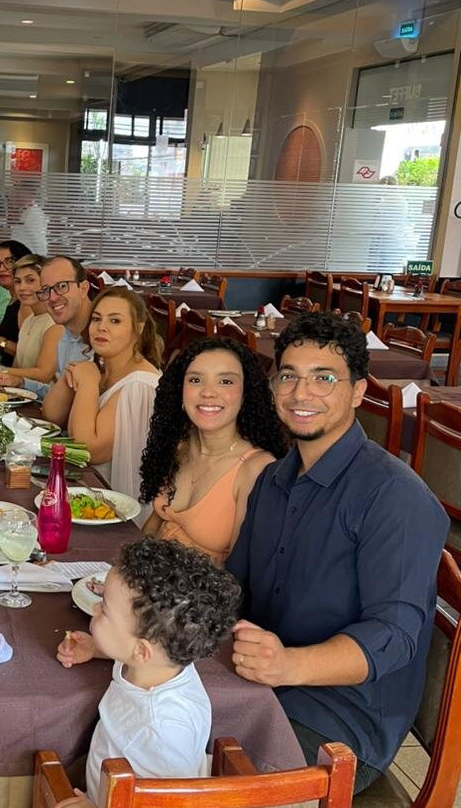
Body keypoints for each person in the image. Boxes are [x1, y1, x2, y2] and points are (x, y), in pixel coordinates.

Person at [226, 312, 448, 792]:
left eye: (324, 378)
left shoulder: (394, 496)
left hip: (340, 725)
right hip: (259, 687)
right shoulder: (273, 479)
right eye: (289, 376)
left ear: (358, 391)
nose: (301, 393)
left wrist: (289, 664)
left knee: (173, 772)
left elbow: (394, 635)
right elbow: (232, 587)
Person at [57, 537, 241, 804]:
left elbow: (170, 803)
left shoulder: (161, 731)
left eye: (104, 609)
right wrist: (97, 648)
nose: (94, 608)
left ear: (141, 651)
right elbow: (131, 651)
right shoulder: (160, 664)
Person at [140, 338, 288, 565]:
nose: (208, 392)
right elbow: (152, 527)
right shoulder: (181, 445)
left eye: (225, 381)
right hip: (148, 576)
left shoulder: (256, 469)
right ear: (181, 390)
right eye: (195, 380)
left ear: (245, 394)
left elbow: (241, 572)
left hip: (204, 586)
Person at [47, 288, 161, 516]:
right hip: (89, 492)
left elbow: (88, 450)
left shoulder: (140, 384)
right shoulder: (99, 364)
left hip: (116, 509)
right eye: (96, 319)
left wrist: (88, 384)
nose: (102, 327)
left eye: (115, 321)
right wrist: (78, 370)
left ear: (138, 328)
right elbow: (51, 414)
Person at [0, 254, 94, 400]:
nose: (52, 297)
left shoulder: (98, 338)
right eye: (46, 290)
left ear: (83, 288)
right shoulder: (66, 335)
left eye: (62, 286)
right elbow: (56, 393)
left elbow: (45, 375)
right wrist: (21, 382)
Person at [0, 253, 63, 383]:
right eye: (18, 281)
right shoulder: (29, 320)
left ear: (46, 283)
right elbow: (16, 368)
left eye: (30, 280)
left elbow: (44, 374)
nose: (22, 287)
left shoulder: (55, 324)